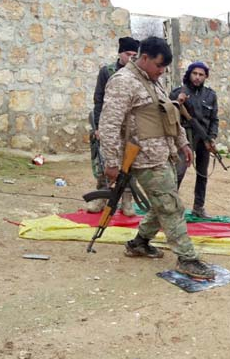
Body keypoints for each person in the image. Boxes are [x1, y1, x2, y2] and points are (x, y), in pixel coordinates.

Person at [99, 37, 215, 280]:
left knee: (161, 202)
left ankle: (139, 243)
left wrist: (182, 142)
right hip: (142, 158)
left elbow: (170, 112)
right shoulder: (123, 82)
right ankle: (187, 257)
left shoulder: (153, 81)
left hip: (164, 153)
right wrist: (111, 162)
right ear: (144, 59)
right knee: (171, 205)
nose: (162, 71)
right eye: (159, 65)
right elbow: (109, 125)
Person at [87, 36, 140, 216]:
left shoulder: (138, 74)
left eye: (135, 55)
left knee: (128, 165)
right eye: (128, 54)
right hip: (110, 125)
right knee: (105, 163)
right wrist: (98, 127)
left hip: (131, 128)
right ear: (120, 53)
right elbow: (98, 100)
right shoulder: (107, 72)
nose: (131, 58)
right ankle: (101, 198)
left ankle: (126, 200)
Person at [169, 62, 219, 218]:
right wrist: (178, 101)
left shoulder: (210, 95)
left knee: (202, 174)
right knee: (178, 171)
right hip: (185, 138)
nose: (197, 77)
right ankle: (169, 207)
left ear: (205, 77)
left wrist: (211, 138)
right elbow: (168, 113)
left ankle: (199, 207)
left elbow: (214, 119)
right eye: (194, 74)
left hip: (204, 138)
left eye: (201, 75)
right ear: (189, 74)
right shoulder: (178, 93)